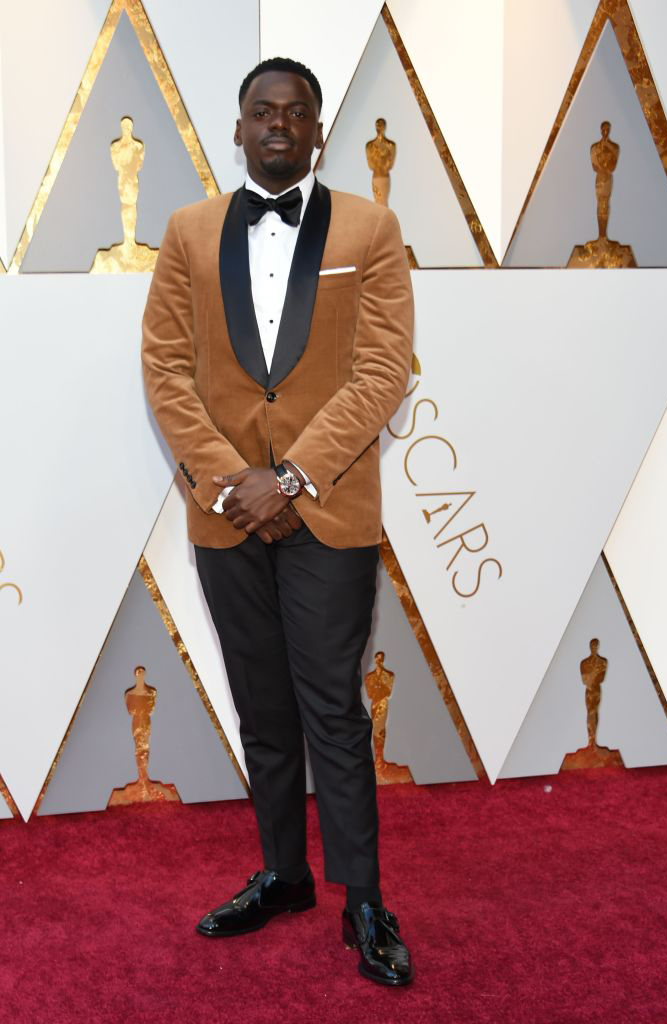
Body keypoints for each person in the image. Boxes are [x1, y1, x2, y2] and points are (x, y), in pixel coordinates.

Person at [141, 57, 414, 987]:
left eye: (296, 113)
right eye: (263, 110)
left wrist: (290, 478)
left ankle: (363, 901)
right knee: (261, 709)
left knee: (332, 709)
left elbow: (382, 370)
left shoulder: (370, 229)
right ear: (238, 127)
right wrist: (233, 485)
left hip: (328, 510)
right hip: (227, 516)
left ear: (317, 131)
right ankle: (283, 876)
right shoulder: (187, 231)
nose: (278, 126)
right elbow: (166, 369)